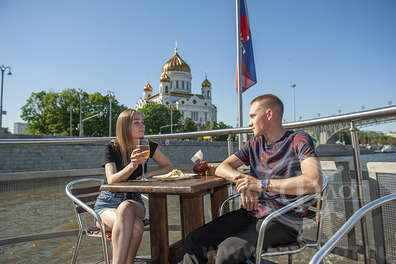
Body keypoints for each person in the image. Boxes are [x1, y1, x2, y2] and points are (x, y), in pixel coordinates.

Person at [183, 94, 322, 264]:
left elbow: (314, 181)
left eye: (253, 116)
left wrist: (260, 185)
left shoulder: (298, 140)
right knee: (194, 240)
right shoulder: (254, 144)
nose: (249, 123)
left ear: (269, 114)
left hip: (284, 219)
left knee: (228, 253)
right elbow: (222, 167)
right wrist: (245, 181)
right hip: (252, 213)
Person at [94, 109, 173, 264]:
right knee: (136, 227)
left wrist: (147, 175)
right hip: (108, 203)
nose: (142, 126)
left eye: (142, 122)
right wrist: (132, 165)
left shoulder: (147, 145)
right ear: (124, 127)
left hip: (134, 202)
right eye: (136, 123)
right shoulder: (111, 148)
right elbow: (111, 180)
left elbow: (169, 167)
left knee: (126, 207)